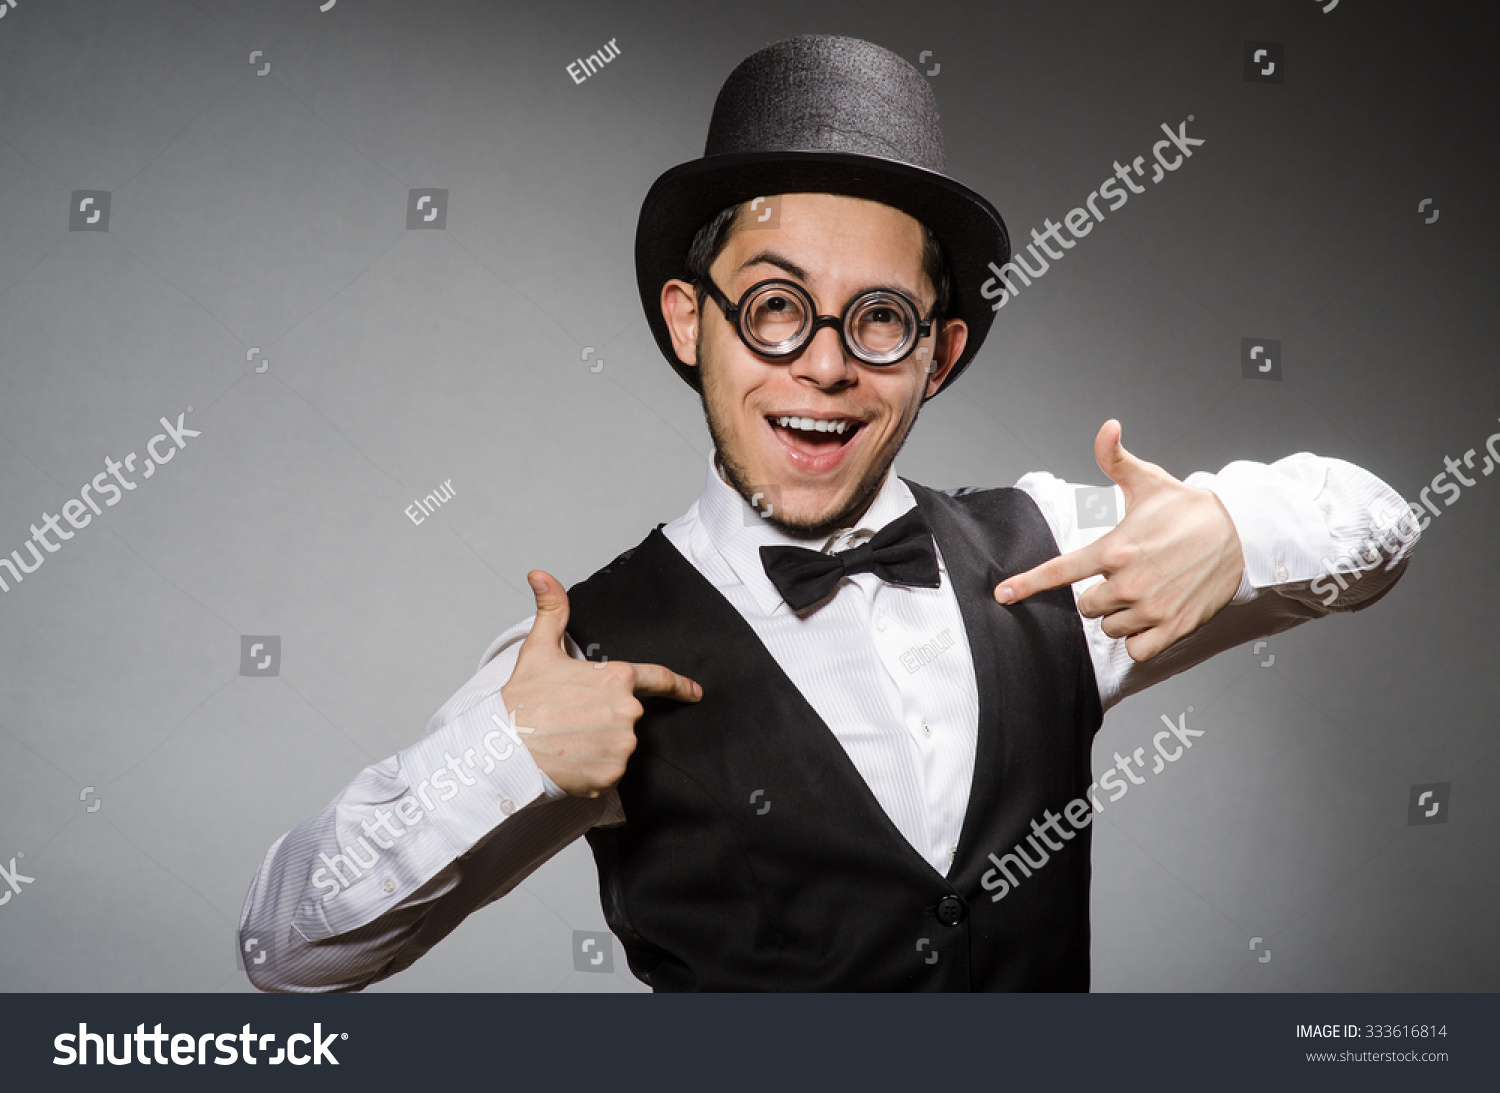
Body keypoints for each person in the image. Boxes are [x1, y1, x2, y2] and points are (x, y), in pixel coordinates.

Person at [239, 34, 1415, 991]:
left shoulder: (1056, 559)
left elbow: (1381, 517)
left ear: (938, 354)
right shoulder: (585, 656)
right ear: (690, 321)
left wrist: (1232, 527)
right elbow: (287, 948)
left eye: (882, 321)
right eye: (774, 307)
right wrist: (509, 754)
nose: (824, 366)